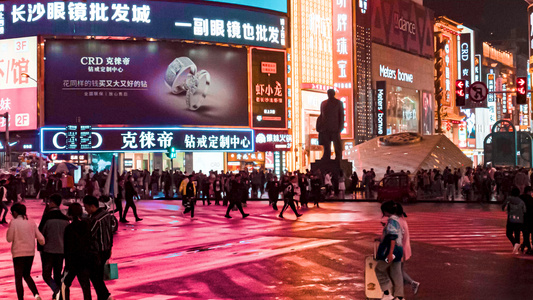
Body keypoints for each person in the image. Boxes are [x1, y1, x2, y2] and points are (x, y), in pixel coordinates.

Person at [6, 203, 45, 300]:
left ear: (14, 212)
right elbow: (41, 238)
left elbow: (9, 238)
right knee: (27, 275)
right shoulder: (31, 222)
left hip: (18, 253)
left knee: (18, 278)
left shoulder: (14, 222)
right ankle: (36, 294)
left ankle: (21, 298)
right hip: (30, 253)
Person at [83, 195, 115, 300]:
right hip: (106, 249)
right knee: (98, 276)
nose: (86, 210)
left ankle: (105, 295)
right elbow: (111, 232)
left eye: (86, 207)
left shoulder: (95, 220)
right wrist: (110, 247)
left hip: (97, 252)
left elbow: (89, 234)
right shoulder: (107, 215)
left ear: (92, 206)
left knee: (94, 276)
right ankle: (103, 296)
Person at [38, 193, 70, 300]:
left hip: (48, 250)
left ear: (52, 203)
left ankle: (57, 290)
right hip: (61, 251)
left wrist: (40, 248)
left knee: (46, 275)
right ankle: (58, 294)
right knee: (57, 274)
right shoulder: (65, 219)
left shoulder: (47, 218)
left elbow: (40, 233)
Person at [61, 203, 92, 300]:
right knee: (85, 285)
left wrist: (67, 263)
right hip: (84, 259)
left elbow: (67, 247)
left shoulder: (69, 228)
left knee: (65, 284)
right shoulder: (86, 225)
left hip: (73, 260)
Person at [376, 201, 404, 300]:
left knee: (379, 269)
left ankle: (387, 293)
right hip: (399, 250)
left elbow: (392, 237)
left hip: (392, 251)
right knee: (396, 273)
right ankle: (400, 297)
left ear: (386, 211)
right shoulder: (398, 220)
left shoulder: (391, 221)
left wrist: (390, 253)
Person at [395, 203, 420, 295]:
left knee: (395, 270)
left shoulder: (398, 222)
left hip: (399, 250)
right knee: (399, 270)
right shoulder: (402, 220)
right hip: (404, 249)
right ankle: (405, 284)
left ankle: (411, 283)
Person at [316, 89, 344, 160]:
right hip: (326, 128)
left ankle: (338, 156)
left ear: (334, 94)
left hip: (335, 128)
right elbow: (322, 115)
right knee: (326, 145)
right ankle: (326, 156)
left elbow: (341, 116)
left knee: (337, 144)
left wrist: (340, 127)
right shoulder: (323, 103)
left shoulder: (338, 103)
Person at [502, 187, 527, 254]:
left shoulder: (509, 199)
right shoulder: (521, 202)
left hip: (511, 219)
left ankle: (515, 244)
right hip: (519, 220)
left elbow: (503, 206)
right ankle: (517, 246)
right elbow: (524, 210)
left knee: (509, 233)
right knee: (517, 234)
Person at [520, 186, 533, 254]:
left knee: (525, 234)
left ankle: (527, 246)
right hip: (531, 218)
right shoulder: (530, 199)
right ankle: (529, 247)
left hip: (523, 219)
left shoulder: (521, 198)